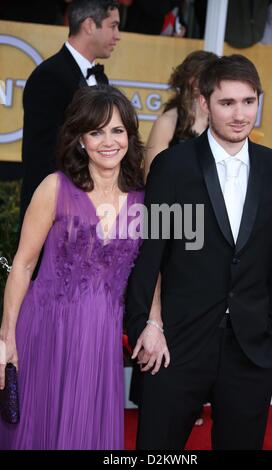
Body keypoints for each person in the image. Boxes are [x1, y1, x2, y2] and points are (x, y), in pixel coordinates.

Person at [125, 54, 272, 450]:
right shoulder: (175, 166)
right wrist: (147, 324)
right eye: (227, 103)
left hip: (251, 349)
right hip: (177, 346)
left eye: (248, 102)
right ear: (204, 103)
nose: (240, 114)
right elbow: (154, 253)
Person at [0, 85, 144, 450]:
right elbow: (22, 264)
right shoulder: (55, 187)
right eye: (96, 132)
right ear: (80, 140)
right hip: (46, 329)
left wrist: (155, 320)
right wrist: (7, 337)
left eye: (117, 130)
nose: (108, 141)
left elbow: (153, 272)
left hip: (101, 337)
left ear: (129, 135)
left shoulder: (145, 200)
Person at [139, 50, 217, 425]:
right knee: (166, 302)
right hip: (170, 223)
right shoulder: (170, 119)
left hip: (206, 230)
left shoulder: (217, 124)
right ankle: (159, 384)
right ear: (193, 82)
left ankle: (197, 392)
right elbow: (151, 171)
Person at [20, 0, 121, 223]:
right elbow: (40, 156)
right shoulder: (49, 76)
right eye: (113, 26)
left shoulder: (100, 78)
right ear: (89, 25)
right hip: (56, 212)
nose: (118, 35)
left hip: (91, 209)